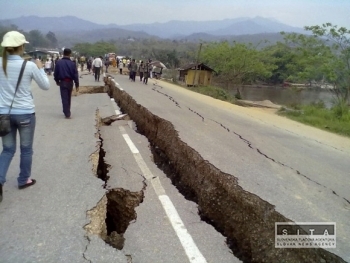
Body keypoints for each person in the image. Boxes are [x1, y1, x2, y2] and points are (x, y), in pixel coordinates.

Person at [0, 31, 50, 202]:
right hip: (25, 113)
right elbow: (45, 86)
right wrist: (41, 69)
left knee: (7, 149)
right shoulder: (29, 66)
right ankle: (23, 179)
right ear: (21, 47)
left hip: (4, 114)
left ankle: (0, 180)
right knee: (26, 149)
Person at [54, 48, 79, 119]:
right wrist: (77, 84)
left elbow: (56, 73)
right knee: (68, 97)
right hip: (70, 82)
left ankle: (66, 112)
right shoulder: (72, 63)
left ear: (63, 53)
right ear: (70, 54)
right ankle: (67, 111)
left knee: (64, 97)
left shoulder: (58, 62)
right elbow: (75, 75)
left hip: (62, 82)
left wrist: (57, 81)